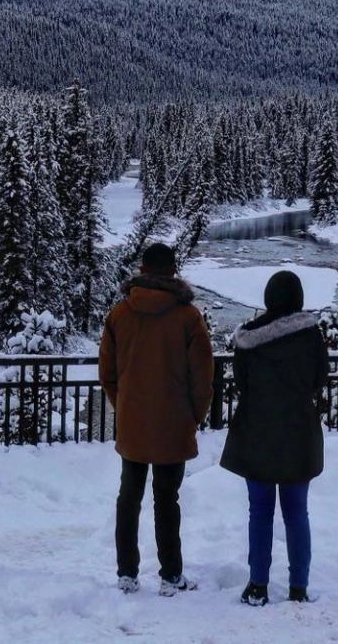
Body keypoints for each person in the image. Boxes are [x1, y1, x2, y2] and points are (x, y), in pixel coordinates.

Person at [98, 242, 214, 596]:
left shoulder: (120, 313)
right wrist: (192, 416)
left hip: (133, 421)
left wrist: (125, 406)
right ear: (173, 272)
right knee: (167, 499)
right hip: (174, 422)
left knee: (128, 496)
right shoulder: (188, 317)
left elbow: (108, 372)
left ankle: (127, 572)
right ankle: (170, 574)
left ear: (143, 271)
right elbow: (203, 377)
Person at [220, 270, 328, 607]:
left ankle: (258, 585)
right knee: (297, 512)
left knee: (260, 511)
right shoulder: (311, 335)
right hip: (298, 432)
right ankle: (299, 586)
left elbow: (242, 382)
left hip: (257, 432)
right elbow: (319, 377)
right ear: (298, 298)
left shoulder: (250, 338)